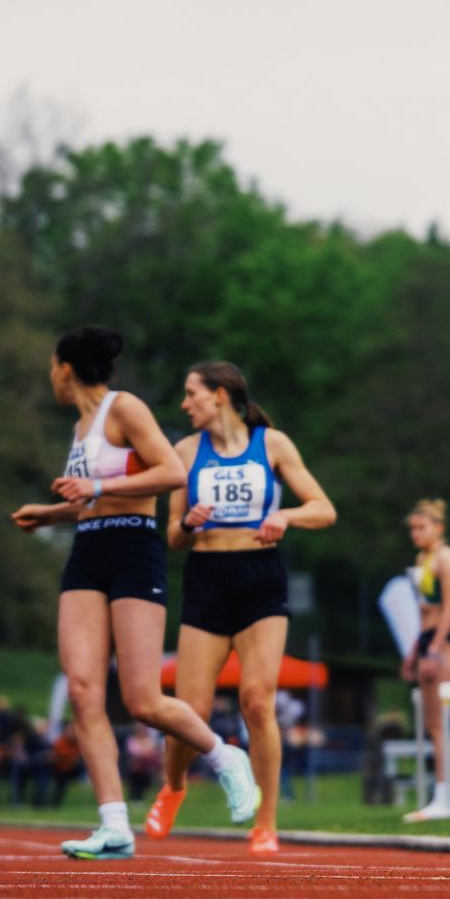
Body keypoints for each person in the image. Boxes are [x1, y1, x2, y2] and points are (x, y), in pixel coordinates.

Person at [9, 327, 258, 858]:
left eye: (51, 366)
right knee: (82, 690)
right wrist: (51, 513)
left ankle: (224, 756)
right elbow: (90, 500)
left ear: (65, 368)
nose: (50, 375)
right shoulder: (80, 428)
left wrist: (95, 487)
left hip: (133, 551)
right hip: (88, 550)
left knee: (142, 699)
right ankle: (114, 823)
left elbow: (171, 472)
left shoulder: (126, 409)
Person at [144, 362, 336, 854]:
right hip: (207, 581)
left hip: (259, 580)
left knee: (257, 700)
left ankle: (266, 822)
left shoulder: (272, 444)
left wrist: (285, 516)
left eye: (192, 394)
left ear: (221, 395)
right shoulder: (185, 452)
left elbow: (324, 508)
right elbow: (171, 538)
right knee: (191, 710)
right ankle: (174, 787)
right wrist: (187, 522)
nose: (185, 404)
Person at [401, 499, 450, 822]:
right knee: (432, 724)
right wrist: (415, 650)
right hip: (428, 639)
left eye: (421, 527)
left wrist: (436, 649)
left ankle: (448, 794)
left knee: (442, 723)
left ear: (438, 528)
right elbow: (422, 611)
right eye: (412, 528)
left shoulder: (446, 556)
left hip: (447, 640)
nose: (415, 533)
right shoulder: (421, 558)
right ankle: (443, 793)